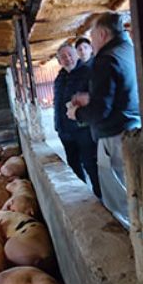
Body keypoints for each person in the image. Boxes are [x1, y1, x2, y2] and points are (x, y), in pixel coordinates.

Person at [67, 12, 140, 228]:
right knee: (133, 189)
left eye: (92, 36)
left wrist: (77, 114)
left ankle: (129, 242)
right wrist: (91, 97)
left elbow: (100, 111)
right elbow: (119, 92)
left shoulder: (105, 59)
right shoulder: (128, 51)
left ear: (102, 34)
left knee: (119, 198)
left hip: (113, 135)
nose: (91, 41)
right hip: (132, 127)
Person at [53, 43, 101, 198]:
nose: (68, 59)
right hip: (65, 131)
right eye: (63, 57)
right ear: (59, 61)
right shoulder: (59, 78)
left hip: (83, 129)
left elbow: (95, 98)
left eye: (70, 55)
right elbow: (57, 104)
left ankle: (100, 197)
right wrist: (58, 127)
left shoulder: (87, 72)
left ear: (76, 55)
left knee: (91, 165)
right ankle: (84, 197)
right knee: (74, 166)